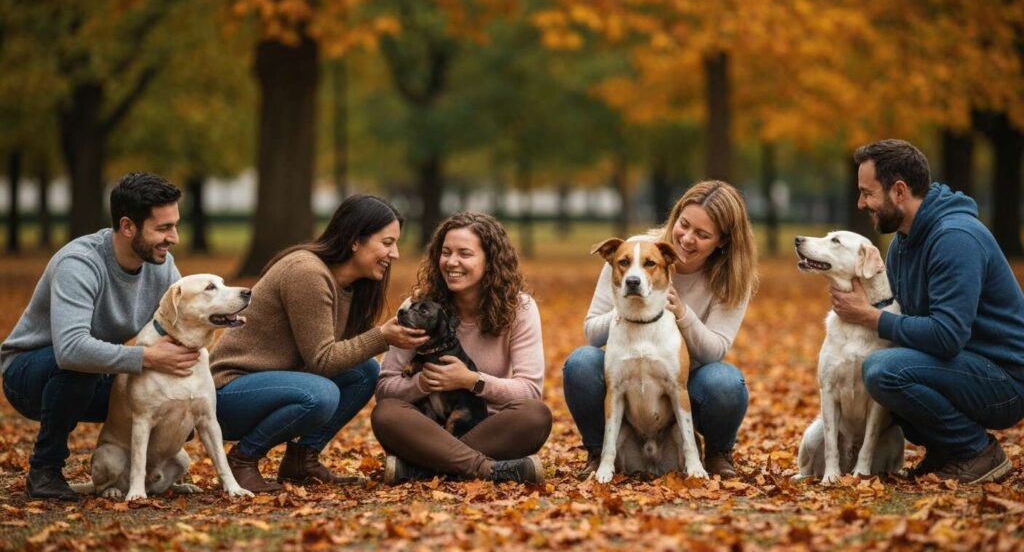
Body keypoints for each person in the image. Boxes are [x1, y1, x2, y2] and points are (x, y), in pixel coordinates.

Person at [832, 139, 1024, 484]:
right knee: (878, 362)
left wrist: (870, 317)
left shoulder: (955, 239)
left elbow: (947, 337)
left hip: (1005, 381)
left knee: (882, 370)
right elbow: (904, 318)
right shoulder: (903, 243)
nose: (861, 203)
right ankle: (946, 450)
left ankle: (977, 451)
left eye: (868, 193)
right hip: (961, 367)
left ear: (900, 191)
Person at [210, 194, 428, 493]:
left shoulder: (351, 284)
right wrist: (383, 336)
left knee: (364, 371)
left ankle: (302, 459)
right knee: (320, 394)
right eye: (387, 242)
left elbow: (348, 351)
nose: (396, 254)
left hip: (274, 384)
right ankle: (243, 460)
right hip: (230, 392)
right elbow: (322, 360)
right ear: (355, 240)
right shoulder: (307, 273)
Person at [1, 172, 195, 500]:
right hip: (29, 374)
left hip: (97, 372)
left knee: (172, 392)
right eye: (163, 228)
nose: (173, 237)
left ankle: (144, 474)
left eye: (174, 225)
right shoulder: (79, 263)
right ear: (127, 226)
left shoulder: (161, 265)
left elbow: (182, 323)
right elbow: (71, 350)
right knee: (80, 369)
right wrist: (147, 357)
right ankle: (45, 471)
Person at [563, 180, 759, 479]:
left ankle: (718, 453)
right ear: (676, 214)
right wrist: (626, 305)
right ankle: (598, 453)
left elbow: (714, 350)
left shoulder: (731, 278)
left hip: (692, 374)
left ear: (721, 241)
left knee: (726, 382)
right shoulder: (634, 250)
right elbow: (593, 331)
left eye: (703, 234)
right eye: (684, 224)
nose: (688, 239)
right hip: (628, 356)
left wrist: (681, 312)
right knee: (580, 362)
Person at [372, 211, 552, 485]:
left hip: (488, 429)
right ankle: (488, 470)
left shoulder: (520, 309)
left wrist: (472, 381)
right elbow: (385, 390)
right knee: (386, 414)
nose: (451, 262)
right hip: (426, 428)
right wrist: (425, 382)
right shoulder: (418, 308)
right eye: (446, 252)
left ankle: (423, 469)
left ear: (490, 261)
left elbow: (529, 390)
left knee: (536, 416)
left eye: (464, 254)